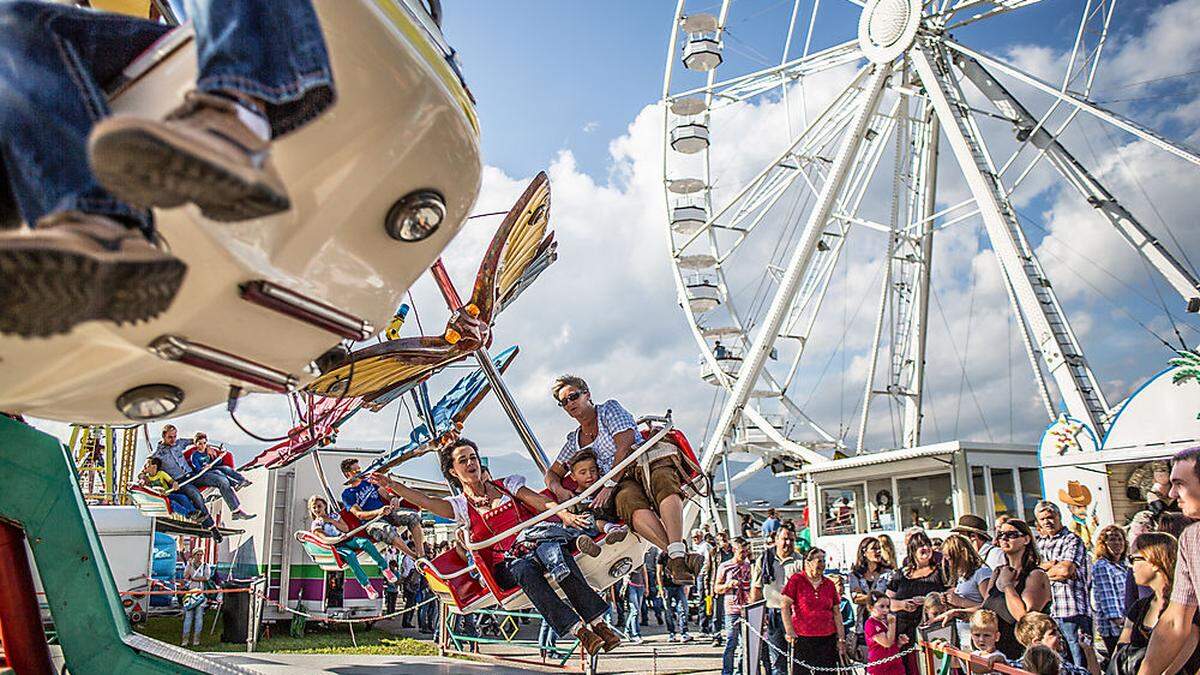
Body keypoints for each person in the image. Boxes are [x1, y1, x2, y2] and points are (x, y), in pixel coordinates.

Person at [0, 0, 333, 336]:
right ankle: (99, 230)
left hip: (219, 44)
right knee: (7, 24)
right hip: (38, 86)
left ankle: (238, 114)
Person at [370, 438, 620, 655]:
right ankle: (577, 630)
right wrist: (393, 485)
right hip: (508, 561)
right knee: (524, 570)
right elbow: (426, 501)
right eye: (463, 461)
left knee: (557, 559)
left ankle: (599, 623)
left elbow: (538, 500)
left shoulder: (506, 485)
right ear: (454, 471)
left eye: (473, 458)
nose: (471, 464)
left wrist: (563, 514)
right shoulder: (460, 506)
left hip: (534, 542)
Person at [544, 375, 699, 582]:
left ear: (587, 394)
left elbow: (624, 444)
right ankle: (677, 558)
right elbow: (552, 473)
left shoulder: (608, 410)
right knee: (627, 500)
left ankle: (677, 553)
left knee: (662, 480)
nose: (570, 403)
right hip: (620, 482)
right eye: (564, 402)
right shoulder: (575, 441)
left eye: (573, 397)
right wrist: (559, 489)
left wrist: (609, 483)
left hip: (640, 461)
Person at [1123, 532, 1200, 675]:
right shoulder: (1139, 608)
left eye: (1133, 558)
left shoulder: (1186, 608)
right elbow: (1121, 649)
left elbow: (1171, 669)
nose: (1131, 566)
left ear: (1154, 562)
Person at [982, 519, 1051, 660]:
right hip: (996, 653)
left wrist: (1008, 585)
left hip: (1021, 653)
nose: (1004, 538)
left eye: (1011, 534)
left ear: (1026, 539)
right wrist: (959, 612)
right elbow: (987, 608)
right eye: (1001, 534)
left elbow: (1025, 618)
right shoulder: (998, 571)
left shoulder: (1036, 575)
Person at [306, 495, 397, 601]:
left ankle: (385, 568)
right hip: (336, 546)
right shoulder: (316, 524)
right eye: (314, 507)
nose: (317, 509)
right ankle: (367, 586)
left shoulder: (334, 516)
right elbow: (324, 538)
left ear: (325, 506)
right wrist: (336, 539)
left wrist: (332, 521)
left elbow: (345, 528)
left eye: (319, 506)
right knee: (350, 556)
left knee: (365, 543)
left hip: (346, 539)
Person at [1033, 501, 1090, 668]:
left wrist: (1042, 572)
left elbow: (1065, 570)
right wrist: (1049, 566)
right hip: (1048, 612)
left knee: (1079, 661)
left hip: (1071, 610)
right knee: (1056, 662)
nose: (1047, 522)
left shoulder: (1072, 539)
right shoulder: (1039, 543)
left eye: (1051, 517)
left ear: (1059, 517)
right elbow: (1031, 572)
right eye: (1042, 519)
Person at [340, 458, 425, 560]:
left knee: (413, 516)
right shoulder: (348, 494)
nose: (359, 472)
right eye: (355, 471)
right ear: (347, 474)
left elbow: (385, 494)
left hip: (387, 513)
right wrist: (379, 512)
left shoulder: (369, 482)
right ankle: (413, 557)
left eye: (359, 469)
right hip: (371, 522)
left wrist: (393, 498)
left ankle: (421, 554)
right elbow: (359, 514)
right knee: (387, 531)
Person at [150, 425, 226, 538]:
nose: (173, 440)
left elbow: (197, 441)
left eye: (175, 436)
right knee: (196, 496)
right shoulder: (158, 454)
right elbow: (149, 466)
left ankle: (235, 506)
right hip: (181, 481)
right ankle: (211, 527)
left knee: (218, 478)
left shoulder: (179, 443)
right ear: (163, 437)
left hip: (193, 475)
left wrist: (208, 447)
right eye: (170, 437)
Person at [887, 528, 947, 670]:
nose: (925, 548)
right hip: (903, 633)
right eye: (920, 545)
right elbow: (887, 602)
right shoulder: (901, 574)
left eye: (927, 544)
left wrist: (928, 600)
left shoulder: (941, 572)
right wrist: (903, 604)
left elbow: (949, 596)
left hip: (930, 630)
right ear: (912, 550)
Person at [782, 547, 844, 675]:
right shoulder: (797, 580)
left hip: (827, 638)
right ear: (808, 562)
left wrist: (841, 639)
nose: (822, 564)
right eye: (819, 561)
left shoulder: (829, 584)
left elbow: (837, 612)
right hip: (803, 638)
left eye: (823, 560)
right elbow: (785, 605)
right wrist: (789, 631)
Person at [750, 527, 803, 675]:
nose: (788, 543)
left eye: (791, 540)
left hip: (794, 614)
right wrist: (757, 615)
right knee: (777, 659)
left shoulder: (800, 561)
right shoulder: (765, 559)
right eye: (784, 539)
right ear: (776, 540)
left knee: (797, 658)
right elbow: (756, 588)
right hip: (772, 612)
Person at [935, 533, 992, 649]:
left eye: (950, 559)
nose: (949, 563)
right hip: (965, 634)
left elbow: (989, 607)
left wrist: (960, 602)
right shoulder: (963, 576)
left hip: (979, 636)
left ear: (962, 554)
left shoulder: (981, 573)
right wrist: (950, 602)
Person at [848, 536, 894, 660]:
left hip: (884, 623)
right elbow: (856, 597)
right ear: (864, 552)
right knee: (868, 662)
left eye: (879, 549)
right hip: (864, 624)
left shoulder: (888, 573)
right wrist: (878, 598)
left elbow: (891, 595)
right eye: (874, 549)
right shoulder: (855, 574)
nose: (878, 552)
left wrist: (870, 599)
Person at [1090, 524, 1131, 658]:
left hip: (1128, 622)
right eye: (1112, 539)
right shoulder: (1102, 566)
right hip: (1114, 629)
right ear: (1104, 544)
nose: (1117, 543)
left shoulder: (1123, 566)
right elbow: (1108, 600)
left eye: (1120, 539)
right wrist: (1121, 624)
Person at [715, 536, 753, 675]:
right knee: (731, 642)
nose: (744, 555)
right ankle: (727, 672)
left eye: (746, 552)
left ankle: (740, 671)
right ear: (734, 550)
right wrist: (728, 585)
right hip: (731, 608)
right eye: (742, 552)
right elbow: (716, 588)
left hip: (746, 608)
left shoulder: (749, 567)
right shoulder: (725, 566)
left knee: (745, 645)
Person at [1012, 612, 1090, 675]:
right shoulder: (1017, 668)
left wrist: (1089, 650)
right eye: (1052, 633)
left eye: (1057, 631)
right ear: (1037, 643)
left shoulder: (1063, 665)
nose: (1059, 635)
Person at [865, 592, 907, 675]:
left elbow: (891, 645)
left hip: (895, 665)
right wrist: (892, 623)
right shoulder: (871, 624)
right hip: (880, 668)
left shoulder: (885, 622)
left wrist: (899, 643)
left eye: (888, 607)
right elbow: (887, 643)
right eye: (881, 606)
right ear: (871, 607)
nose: (885, 610)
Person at [657, 547, 692, 643]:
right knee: (668, 611)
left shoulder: (682, 554)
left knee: (683, 609)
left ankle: (684, 632)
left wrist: (686, 584)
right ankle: (671, 632)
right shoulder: (663, 555)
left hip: (680, 585)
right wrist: (661, 588)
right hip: (667, 586)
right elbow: (659, 572)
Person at [180, 549, 209, 647]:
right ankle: (185, 640)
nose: (200, 556)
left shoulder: (205, 566)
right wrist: (189, 567)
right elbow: (185, 576)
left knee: (199, 617)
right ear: (193, 555)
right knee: (188, 617)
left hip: (200, 594)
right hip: (190, 594)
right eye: (198, 554)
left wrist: (194, 578)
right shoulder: (189, 565)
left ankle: (196, 641)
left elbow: (206, 578)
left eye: (201, 555)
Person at [643, 544, 664, 626]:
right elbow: (657, 563)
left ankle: (645, 619)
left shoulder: (642, 550)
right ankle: (658, 614)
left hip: (643, 575)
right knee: (654, 597)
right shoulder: (654, 550)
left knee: (643, 599)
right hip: (652, 573)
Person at [625, 565, 646, 644]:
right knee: (635, 611)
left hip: (640, 586)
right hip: (631, 586)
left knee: (635, 611)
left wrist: (646, 587)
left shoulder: (641, 560)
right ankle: (636, 634)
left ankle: (627, 631)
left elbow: (645, 573)